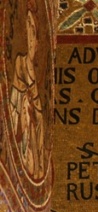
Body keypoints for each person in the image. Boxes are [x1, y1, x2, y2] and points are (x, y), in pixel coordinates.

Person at [8, 0, 46, 180]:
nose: (32, 39)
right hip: (21, 111)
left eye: (34, 32)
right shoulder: (22, 63)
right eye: (29, 29)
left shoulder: (27, 63)